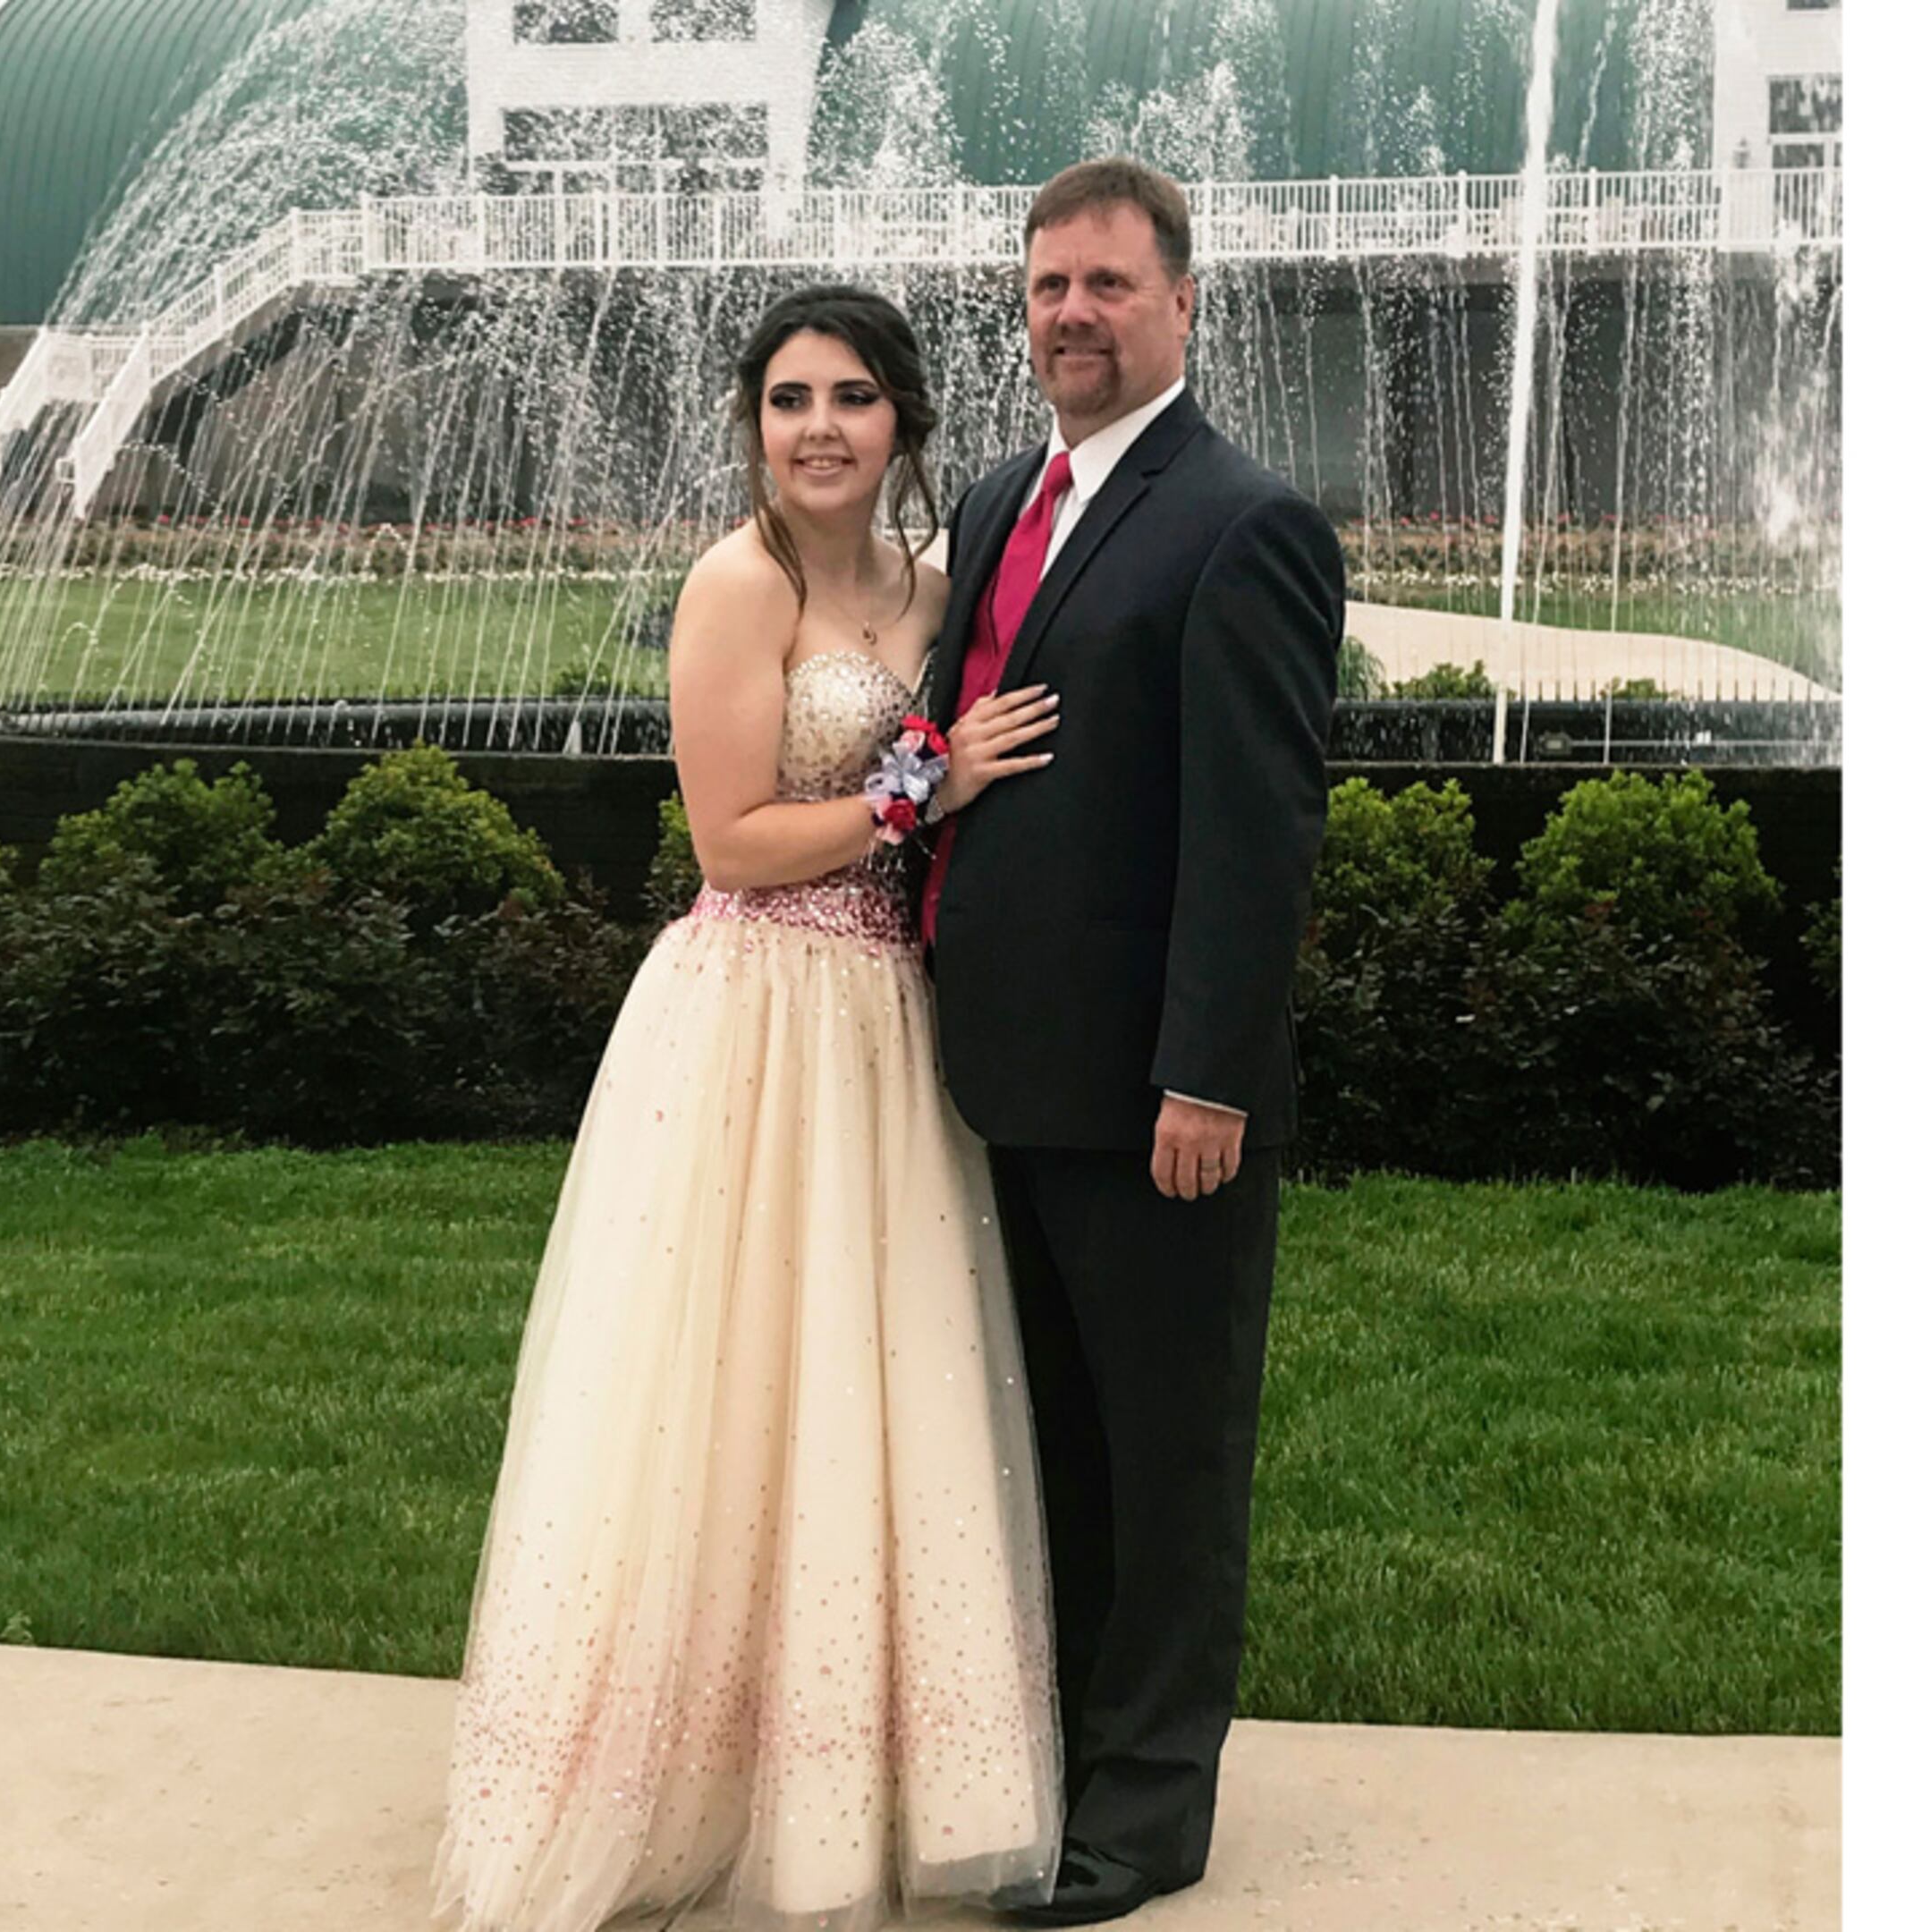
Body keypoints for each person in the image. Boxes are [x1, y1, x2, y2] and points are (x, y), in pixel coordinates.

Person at [433, 285, 1067, 1932]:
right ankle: (678, 1779)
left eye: (853, 398)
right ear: (754, 423)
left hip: (883, 1024)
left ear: (904, 422)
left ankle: (853, 1777)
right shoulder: (736, 588)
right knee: (725, 1379)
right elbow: (730, 840)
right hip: (757, 1017)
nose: (820, 429)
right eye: (789, 399)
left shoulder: (937, 597)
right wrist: (932, 781)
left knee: (867, 1379)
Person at [918, 157, 1346, 1927]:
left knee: (1166, 1458)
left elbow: (1258, 833)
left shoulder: (1242, 522)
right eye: (1045, 289)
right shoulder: (1007, 492)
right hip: (996, 1081)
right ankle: (1067, 1760)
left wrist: (1209, 1072)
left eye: (1104, 285)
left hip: (1149, 1098)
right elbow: (933, 740)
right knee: (1061, 1452)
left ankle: (1150, 1812)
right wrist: (914, 785)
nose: (1071, 315)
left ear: (1181, 300)